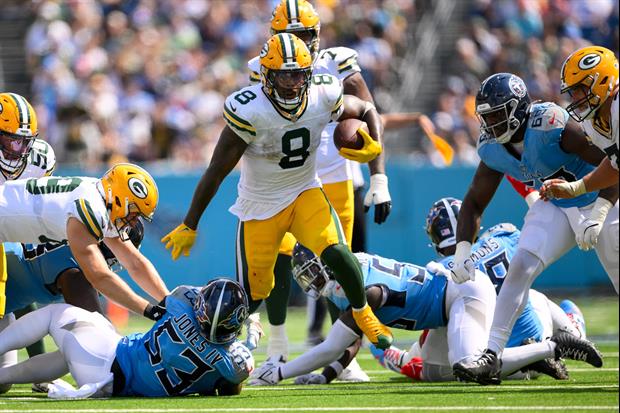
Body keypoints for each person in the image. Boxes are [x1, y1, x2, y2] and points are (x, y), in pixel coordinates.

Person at [161, 33, 393, 350]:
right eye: (284, 75)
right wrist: (190, 223)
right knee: (254, 292)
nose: (293, 83)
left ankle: (363, 312)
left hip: (304, 191)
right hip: (260, 205)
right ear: (267, 75)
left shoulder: (323, 92)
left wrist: (374, 146)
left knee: (337, 251)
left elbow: (366, 109)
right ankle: (215, 335)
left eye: (299, 74)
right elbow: (216, 171)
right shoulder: (250, 109)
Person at [244, 1, 391, 376]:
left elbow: (369, 113)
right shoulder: (261, 68)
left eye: (305, 35)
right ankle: (277, 347)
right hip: (285, 180)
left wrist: (379, 177)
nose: (300, 42)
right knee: (279, 257)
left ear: (318, 34)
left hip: (335, 174)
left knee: (335, 265)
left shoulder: (338, 63)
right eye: (290, 36)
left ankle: (344, 357)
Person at [449, 73, 618, 385]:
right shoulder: (492, 147)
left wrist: (600, 210)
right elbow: (474, 201)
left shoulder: (552, 125)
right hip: (556, 201)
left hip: (602, 198)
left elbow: (616, 166)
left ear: (519, 108)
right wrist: (462, 250)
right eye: (487, 117)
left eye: (498, 115)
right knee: (521, 266)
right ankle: (491, 354)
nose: (492, 124)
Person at [247, 244, 602, 385]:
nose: (310, 280)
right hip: (446, 312)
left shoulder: (363, 288)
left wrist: (279, 372)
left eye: (313, 271)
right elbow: (354, 338)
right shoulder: (355, 273)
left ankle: (551, 348)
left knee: (469, 367)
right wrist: (326, 377)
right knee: (433, 373)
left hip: (463, 295)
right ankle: (525, 361)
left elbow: (333, 344)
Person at [367, 197, 587, 382]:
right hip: (534, 336)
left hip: (493, 360)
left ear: (435, 237)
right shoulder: (503, 237)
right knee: (531, 295)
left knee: (441, 323)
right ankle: (574, 331)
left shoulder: (442, 270)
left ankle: (401, 360)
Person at [0, 279, 254, 398]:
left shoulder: (181, 302)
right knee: (75, 348)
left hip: (106, 359)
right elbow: (228, 389)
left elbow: (192, 293)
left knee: (57, 315)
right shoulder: (231, 364)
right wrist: (246, 340)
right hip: (110, 387)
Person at [0, 163, 169, 319]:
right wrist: (150, 311)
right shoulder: (92, 208)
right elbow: (99, 277)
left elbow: (135, 262)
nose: (133, 222)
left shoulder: (99, 197)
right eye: (133, 213)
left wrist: (169, 301)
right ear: (118, 199)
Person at [0, 221, 144, 394]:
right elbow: (100, 339)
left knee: (2, 382)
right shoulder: (74, 274)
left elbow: (22, 298)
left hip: (4, 303)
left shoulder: (69, 237)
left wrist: (38, 365)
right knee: (85, 343)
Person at [541, 46, 618, 199]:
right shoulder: (593, 122)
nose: (574, 97)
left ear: (603, 80)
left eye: (578, 89)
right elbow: (616, 165)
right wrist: (575, 188)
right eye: (571, 91)